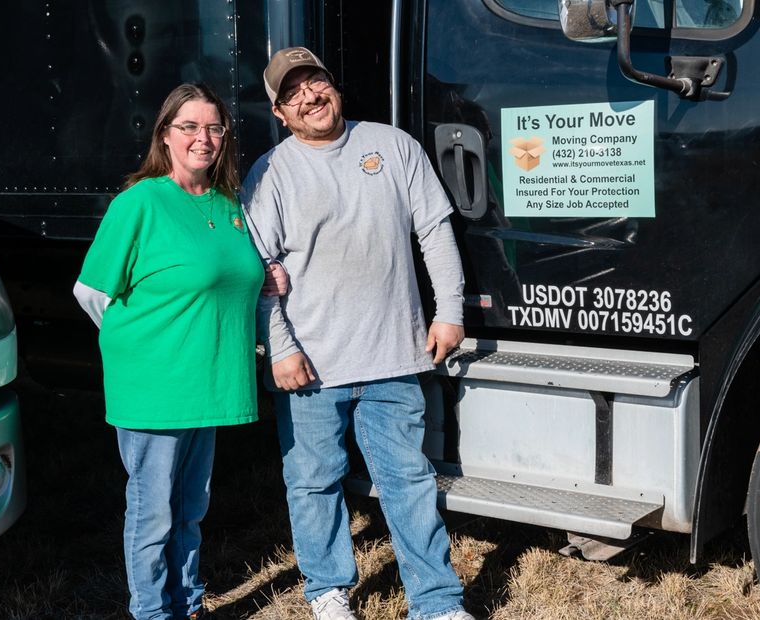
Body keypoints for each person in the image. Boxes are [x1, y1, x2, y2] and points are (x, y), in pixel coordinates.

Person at [241, 48, 474, 620]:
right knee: (314, 482)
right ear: (278, 111)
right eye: (292, 93)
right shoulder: (270, 173)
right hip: (312, 366)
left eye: (315, 81)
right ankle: (327, 591)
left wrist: (449, 309)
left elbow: (435, 233)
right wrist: (282, 347)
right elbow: (259, 270)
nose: (309, 97)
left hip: (395, 354)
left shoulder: (392, 146)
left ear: (332, 85)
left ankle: (437, 603)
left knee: (410, 482)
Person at [73, 83, 284, 620]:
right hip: (155, 388)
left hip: (208, 384)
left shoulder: (229, 204)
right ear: (165, 136)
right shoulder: (140, 202)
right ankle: (152, 611)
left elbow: (234, 276)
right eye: (189, 126)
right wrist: (145, 347)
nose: (203, 138)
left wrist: (267, 279)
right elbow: (92, 292)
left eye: (214, 127)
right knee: (153, 515)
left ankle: (187, 604)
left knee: (191, 509)